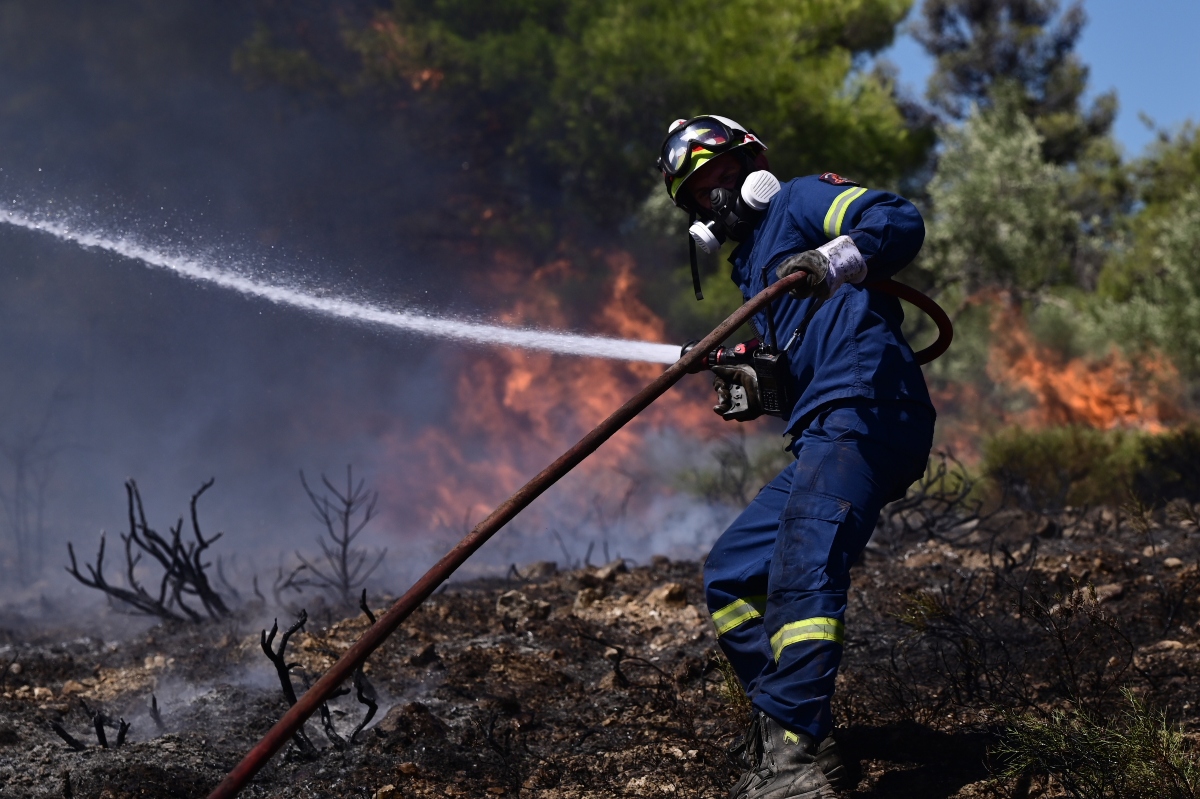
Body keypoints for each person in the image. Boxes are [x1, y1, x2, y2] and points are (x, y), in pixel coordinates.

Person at [658, 116, 936, 799]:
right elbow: (797, 355)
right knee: (732, 574)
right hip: (823, 425)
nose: (718, 197)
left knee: (804, 560)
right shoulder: (751, 265)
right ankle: (798, 731)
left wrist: (834, 257)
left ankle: (793, 757)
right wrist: (748, 371)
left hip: (866, 404)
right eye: (701, 193)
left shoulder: (800, 200)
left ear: (752, 165)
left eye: (723, 176)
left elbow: (898, 219)